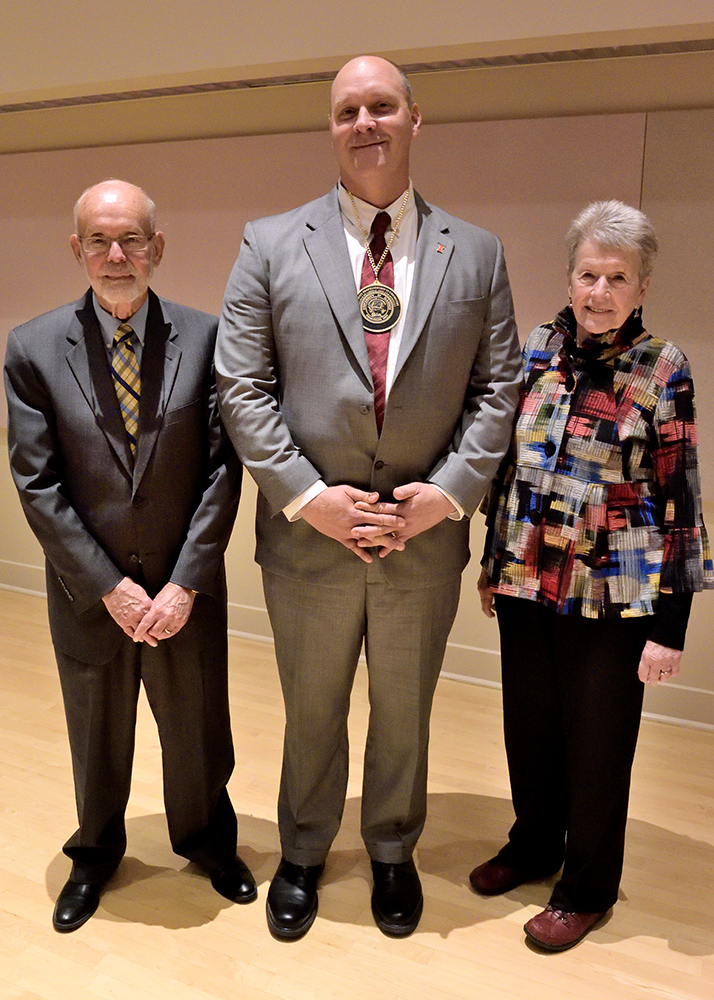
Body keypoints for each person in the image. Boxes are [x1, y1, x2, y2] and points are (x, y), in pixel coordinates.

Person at [216, 55, 522, 940]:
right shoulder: (269, 242)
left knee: (404, 709)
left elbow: (499, 391)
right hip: (310, 538)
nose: (364, 123)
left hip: (422, 538)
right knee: (311, 708)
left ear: (415, 120)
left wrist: (449, 496)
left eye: (381, 106)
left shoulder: (479, 251)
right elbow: (242, 388)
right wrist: (311, 499)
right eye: (347, 109)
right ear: (332, 128)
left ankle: (392, 848)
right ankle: (304, 849)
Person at [4, 179, 256, 932]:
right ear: (77, 248)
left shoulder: (208, 339)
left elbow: (221, 469)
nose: (118, 256)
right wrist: (110, 587)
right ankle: (96, 852)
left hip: (185, 589)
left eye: (133, 240)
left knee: (198, 727)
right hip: (90, 593)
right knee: (96, 731)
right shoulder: (31, 348)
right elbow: (38, 483)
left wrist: (183, 583)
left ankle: (208, 840)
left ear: (158, 247)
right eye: (101, 241)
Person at [470, 200, 713, 951]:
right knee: (530, 732)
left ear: (641, 287)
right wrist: (492, 559)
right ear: (569, 277)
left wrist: (671, 625)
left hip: (615, 598)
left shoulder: (662, 366)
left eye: (617, 277)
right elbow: (509, 467)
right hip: (527, 581)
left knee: (599, 747)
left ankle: (586, 887)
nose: (599, 291)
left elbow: (680, 497)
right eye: (588, 274)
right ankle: (535, 844)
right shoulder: (537, 348)